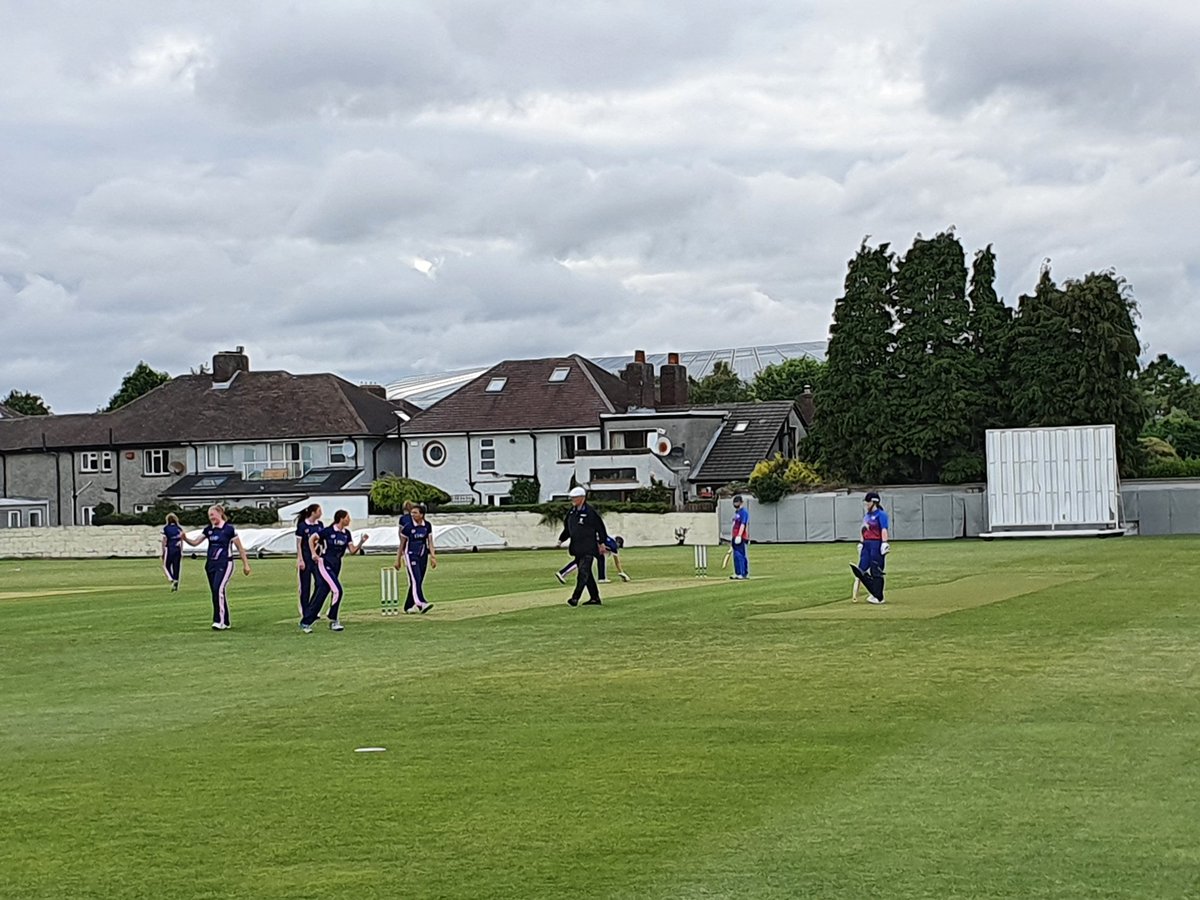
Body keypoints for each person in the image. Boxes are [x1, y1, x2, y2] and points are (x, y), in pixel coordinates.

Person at [181, 505, 251, 630]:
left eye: (213, 515)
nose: (211, 518)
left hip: (225, 564)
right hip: (211, 564)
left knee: (218, 589)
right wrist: (185, 538)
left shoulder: (229, 530)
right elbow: (195, 543)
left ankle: (219, 621)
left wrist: (246, 564)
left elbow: (240, 548)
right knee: (216, 592)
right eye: (209, 516)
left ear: (220, 513)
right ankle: (226, 621)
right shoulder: (208, 530)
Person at [301, 509, 368, 633]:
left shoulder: (346, 533)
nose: (349, 520)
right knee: (338, 590)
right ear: (341, 518)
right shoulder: (328, 531)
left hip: (336, 564)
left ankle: (306, 621)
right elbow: (312, 539)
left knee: (323, 592)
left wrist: (361, 542)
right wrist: (313, 554)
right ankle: (333, 619)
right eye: (347, 518)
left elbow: (352, 551)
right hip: (324, 563)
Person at [558, 486, 608, 606]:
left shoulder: (590, 512)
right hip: (577, 548)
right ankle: (595, 598)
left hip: (589, 548)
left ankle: (575, 598)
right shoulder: (571, 512)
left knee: (583, 573)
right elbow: (568, 529)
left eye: (575, 498)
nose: (572, 500)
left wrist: (602, 543)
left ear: (582, 498)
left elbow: (600, 528)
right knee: (587, 575)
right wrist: (561, 539)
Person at [850, 491, 891, 604]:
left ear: (874, 502)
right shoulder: (867, 516)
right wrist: (861, 543)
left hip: (876, 543)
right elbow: (863, 530)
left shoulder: (881, 515)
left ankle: (878, 596)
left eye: (868, 502)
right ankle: (868, 593)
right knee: (860, 570)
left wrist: (884, 542)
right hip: (866, 544)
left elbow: (883, 529)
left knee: (876, 569)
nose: (866, 504)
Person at [395, 503, 436, 614]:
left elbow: (430, 542)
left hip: (423, 555)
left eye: (415, 513)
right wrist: (398, 559)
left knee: (418, 581)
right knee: (415, 579)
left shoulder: (427, 525)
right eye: (411, 512)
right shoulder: (408, 527)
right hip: (410, 555)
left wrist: (433, 556)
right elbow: (402, 544)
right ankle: (421, 603)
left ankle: (410, 605)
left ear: (421, 514)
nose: (412, 515)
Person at [556, 534, 630, 584]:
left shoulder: (608, 539)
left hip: (588, 543)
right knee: (579, 561)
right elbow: (617, 562)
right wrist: (621, 572)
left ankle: (602, 578)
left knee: (601, 558)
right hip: (589, 546)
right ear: (618, 543)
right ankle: (562, 573)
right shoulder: (613, 546)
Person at [294, 503, 324, 618]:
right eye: (319, 511)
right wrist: (300, 560)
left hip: (317, 559)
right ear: (313, 512)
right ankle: (305, 611)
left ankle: (313, 608)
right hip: (306, 558)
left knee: (320, 583)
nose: (321, 513)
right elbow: (299, 545)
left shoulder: (320, 525)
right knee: (305, 586)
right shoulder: (302, 526)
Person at [161, 513, 184, 592]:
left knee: (165, 565)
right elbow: (181, 541)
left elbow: (164, 540)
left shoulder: (166, 528)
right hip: (177, 549)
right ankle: (176, 582)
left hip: (169, 548)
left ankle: (171, 579)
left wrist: (163, 551)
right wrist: (181, 551)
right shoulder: (179, 529)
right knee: (176, 567)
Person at [730, 495, 750, 580]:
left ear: (741, 502)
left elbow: (743, 524)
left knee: (740, 555)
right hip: (735, 536)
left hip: (741, 537)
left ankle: (743, 573)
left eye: (737, 502)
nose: (736, 504)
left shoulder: (744, 512)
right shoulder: (737, 513)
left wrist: (739, 535)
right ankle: (737, 572)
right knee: (735, 555)